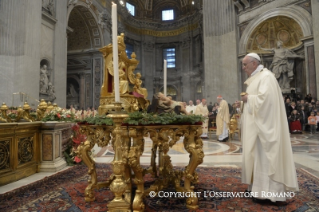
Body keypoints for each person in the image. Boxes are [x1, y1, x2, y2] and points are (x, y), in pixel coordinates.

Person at [241, 52, 298, 203]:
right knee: (256, 158)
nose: (243, 67)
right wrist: (244, 102)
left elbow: (266, 101)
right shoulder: (257, 77)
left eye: (245, 64)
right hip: (257, 128)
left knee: (266, 158)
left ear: (254, 63)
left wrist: (248, 99)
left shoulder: (266, 77)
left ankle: (271, 194)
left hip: (265, 128)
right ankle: (257, 189)